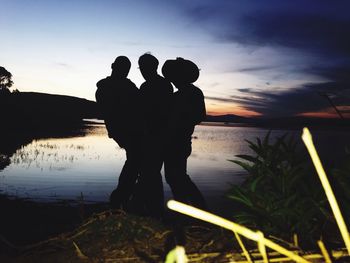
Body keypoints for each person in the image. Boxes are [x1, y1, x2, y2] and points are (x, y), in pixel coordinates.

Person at [95, 56, 140, 209]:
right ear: (113, 66)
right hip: (122, 129)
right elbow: (107, 111)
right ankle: (121, 196)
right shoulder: (105, 87)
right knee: (135, 159)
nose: (125, 72)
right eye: (123, 68)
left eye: (127, 69)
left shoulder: (125, 85)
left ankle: (124, 196)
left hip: (127, 129)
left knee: (134, 159)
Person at [162, 57, 207, 210]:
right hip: (176, 142)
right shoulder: (184, 93)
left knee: (178, 177)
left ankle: (198, 210)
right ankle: (187, 211)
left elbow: (199, 115)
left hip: (179, 142)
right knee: (175, 177)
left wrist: (181, 120)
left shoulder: (190, 93)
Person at [134, 53, 173, 217]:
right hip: (153, 136)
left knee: (150, 172)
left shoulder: (156, 86)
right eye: (141, 67)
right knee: (150, 173)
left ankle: (150, 209)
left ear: (153, 67)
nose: (142, 70)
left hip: (156, 137)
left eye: (144, 67)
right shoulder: (163, 85)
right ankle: (152, 208)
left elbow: (156, 112)